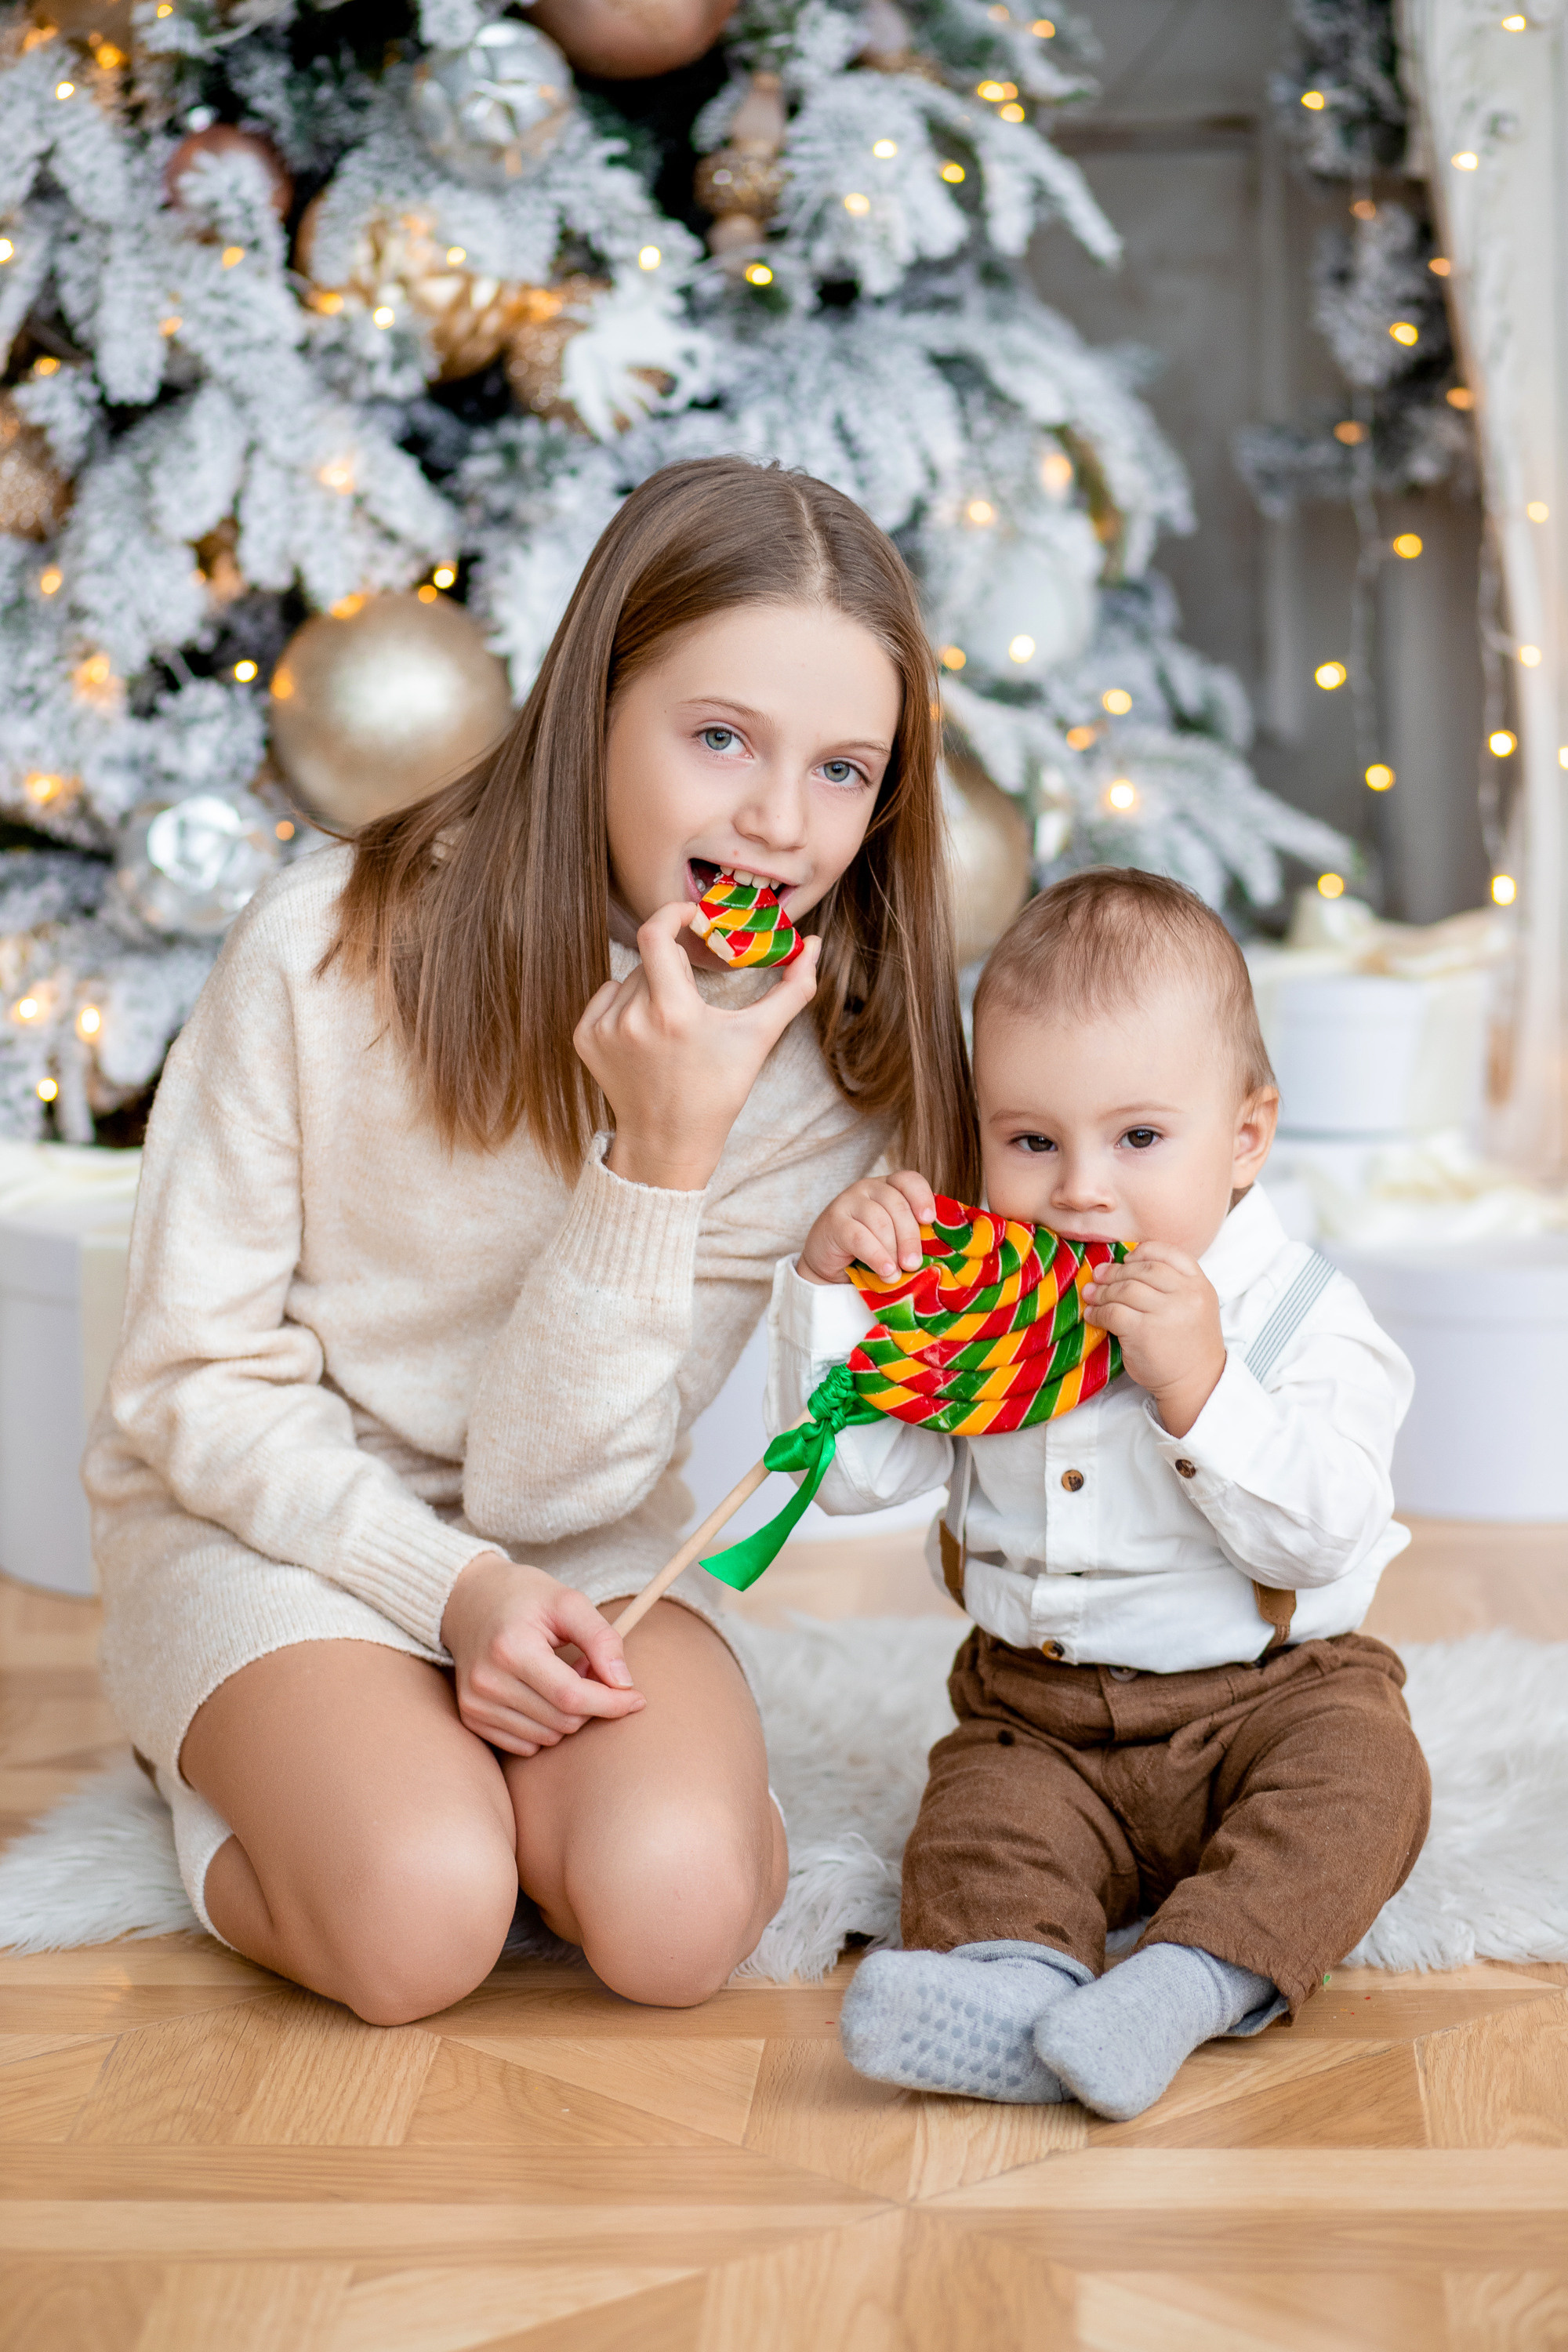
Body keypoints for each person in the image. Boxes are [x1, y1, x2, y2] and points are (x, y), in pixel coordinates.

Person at [85, 456, 975, 2026]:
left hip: (570, 1543)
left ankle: (512, 1796)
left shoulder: (813, 1082)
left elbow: (547, 1492)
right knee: (423, 1917)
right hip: (263, 1529)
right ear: (595, 713)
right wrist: (446, 1599)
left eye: (844, 771)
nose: (779, 825)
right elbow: (191, 1384)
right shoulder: (321, 946)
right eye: (719, 740)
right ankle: (242, 1786)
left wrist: (663, 1152)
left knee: (674, 1920)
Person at [767, 867, 1431, 2120]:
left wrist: (1202, 1386)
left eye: (1138, 1139)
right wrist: (834, 1293)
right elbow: (853, 1478)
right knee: (976, 1823)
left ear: (1243, 1137)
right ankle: (1015, 1990)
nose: (1080, 1190)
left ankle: (1184, 1984)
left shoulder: (1300, 1320)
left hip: (1264, 1700)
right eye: (1031, 1142)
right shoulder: (986, 1309)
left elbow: (1330, 1527)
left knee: (1365, 1782)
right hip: (1040, 1713)